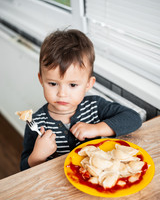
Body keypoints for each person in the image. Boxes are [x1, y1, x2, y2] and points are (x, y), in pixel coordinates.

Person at [20, 29, 142, 170]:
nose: (62, 93)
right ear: (41, 79)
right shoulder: (35, 123)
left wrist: (96, 129)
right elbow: (23, 168)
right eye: (53, 84)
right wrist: (37, 156)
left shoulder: (95, 106)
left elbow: (134, 118)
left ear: (88, 84)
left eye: (72, 85)